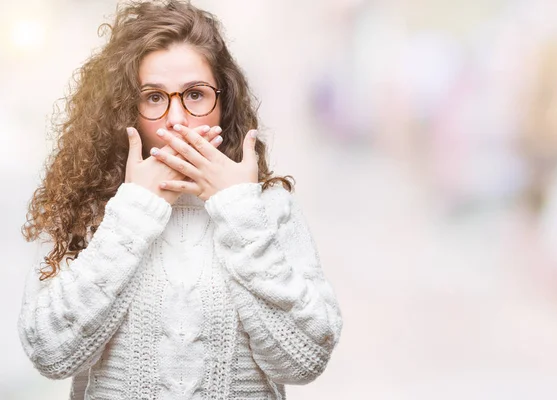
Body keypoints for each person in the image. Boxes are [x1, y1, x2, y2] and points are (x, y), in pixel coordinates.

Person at [17, 1, 343, 399]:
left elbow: (305, 360)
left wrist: (237, 209)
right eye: (154, 97)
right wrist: (133, 210)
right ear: (125, 110)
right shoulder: (94, 208)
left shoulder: (266, 208)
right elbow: (50, 354)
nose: (176, 119)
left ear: (223, 103)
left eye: (195, 94)